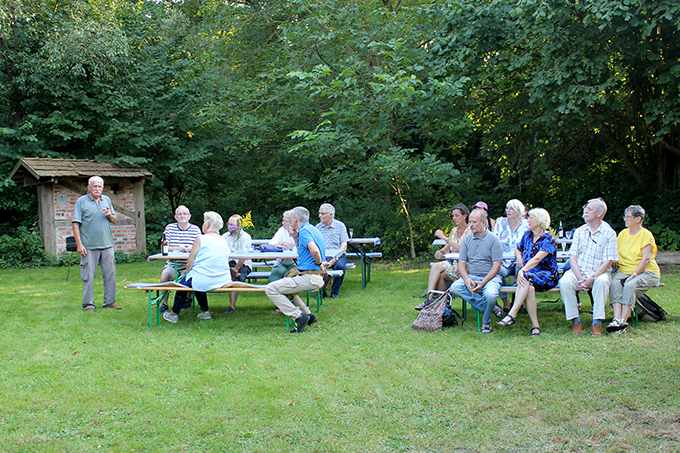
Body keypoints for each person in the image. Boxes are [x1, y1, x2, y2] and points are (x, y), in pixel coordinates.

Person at [559, 198, 618, 336]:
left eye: (589, 209)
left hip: (599, 272)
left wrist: (592, 278)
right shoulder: (580, 231)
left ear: (599, 213)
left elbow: (607, 261)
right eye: (585, 207)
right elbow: (572, 258)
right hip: (579, 272)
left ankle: (597, 322)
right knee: (565, 282)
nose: (585, 211)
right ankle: (575, 320)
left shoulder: (609, 233)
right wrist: (580, 279)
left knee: (602, 282)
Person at [497, 208, 559, 337]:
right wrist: (519, 257)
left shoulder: (549, 239)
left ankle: (512, 314)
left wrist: (522, 271)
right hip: (530, 275)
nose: (528, 220)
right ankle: (535, 326)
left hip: (546, 274)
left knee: (525, 278)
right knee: (529, 288)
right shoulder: (528, 235)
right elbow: (518, 249)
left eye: (531, 218)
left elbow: (537, 259)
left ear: (540, 220)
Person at [265, 206, 326, 333]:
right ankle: (308, 315)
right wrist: (294, 237)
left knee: (270, 288)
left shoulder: (304, 231)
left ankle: (298, 316)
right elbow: (304, 249)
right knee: (287, 284)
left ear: (295, 219)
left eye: (290, 218)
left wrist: (319, 263)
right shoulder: (311, 229)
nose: (289, 220)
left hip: (310, 276)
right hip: (314, 276)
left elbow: (314, 250)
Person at [163, 211, 232, 323]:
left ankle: (173, 314)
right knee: (197, 278)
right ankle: (205, 312)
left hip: (204, 278)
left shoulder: (201, 239)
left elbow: (189, 262)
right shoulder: (223, 240)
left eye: (204, 222)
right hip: (222, 279)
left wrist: (189, 272)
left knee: (186, 283)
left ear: (208, 225)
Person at [449, 208, 504, 333]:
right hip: (472, 276)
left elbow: (497, 266)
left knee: (490, 295)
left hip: (491, 277)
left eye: (474, 222)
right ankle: (492, 308)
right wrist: (467, 279)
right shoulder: (467, 240)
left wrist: (483, 282)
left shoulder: (494, 240)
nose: (471, 225)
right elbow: (461, 264)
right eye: (470, 222)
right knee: (455, 288)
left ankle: (486, 321)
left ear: (484, 223)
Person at [607, 205, 661, 333]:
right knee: (615, 283)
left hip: (646, 271)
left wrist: (635, 274)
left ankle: (622, 323)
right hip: (625, 270)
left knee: (630, 285)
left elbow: (646, 259)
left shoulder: (646, 235)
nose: (625, 219)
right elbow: (615, 251)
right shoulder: (623, 234)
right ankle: (616, 319)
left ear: (638, 219)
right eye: (625, 216)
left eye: (628, 217)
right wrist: (615, 260)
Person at [72, 176, 120, 312]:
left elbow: (115, 220)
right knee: (88, 276)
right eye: (95, 186)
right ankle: (88, 304)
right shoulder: (81, 202)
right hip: (89, 246)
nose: (97, 189)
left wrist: (110, 214)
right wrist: (79, 244)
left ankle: (110, 302)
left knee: (110, 274)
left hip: (107, 245)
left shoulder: (107, 200)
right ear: (89, 187)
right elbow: (75, 224)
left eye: (100, 186)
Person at [417, 204, 471, 309]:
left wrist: (444, 237)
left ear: (465, 216)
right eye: (453, 216)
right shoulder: (453, 231)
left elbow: (462, 248)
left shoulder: (470, 231)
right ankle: (442, 305)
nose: (454, 218)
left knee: (436, 267)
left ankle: (430, 300)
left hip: (465, 266)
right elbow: (447, 248)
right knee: (439, 275)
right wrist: (441, 251)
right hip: (453, 265)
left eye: (457, 215)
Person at [159, 205, 202, 312]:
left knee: (190, 278)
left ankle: (188, 298)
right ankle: (164, 303)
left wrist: (191, 248)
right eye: (180, 214)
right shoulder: (169, 228)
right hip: (173, 263)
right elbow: (164, 246)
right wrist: (176, 248)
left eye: (185, 214)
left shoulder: (195, 229)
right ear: (175, 217)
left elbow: (201, 246)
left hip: (190, 264)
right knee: (164, 277)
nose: (182, 216)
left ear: (189, 216)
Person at [493, 199, 529, 312]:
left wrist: (521, 258)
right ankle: (506, 303)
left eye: (512, 208)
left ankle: (518, 304)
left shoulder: (527, 225)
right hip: (503, 260)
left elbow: (529, 245)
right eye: (507, 208)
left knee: (522, 273)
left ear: (519, 211)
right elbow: (494, 243)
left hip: (521, 259)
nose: (508, 211)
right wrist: (498, 258)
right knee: (497, 270)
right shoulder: (500, 223)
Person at [316, 203, 350, 299]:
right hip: (322, 254)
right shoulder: (317, 227)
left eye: (323, 213)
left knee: (340, 266)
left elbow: (344, 245)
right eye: (319, 213)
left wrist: (334, 259)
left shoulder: (340, 226)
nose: (320, 215)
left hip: (338, 254)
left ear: (331, 215)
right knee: (316, 266)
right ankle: (321, 290)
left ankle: (335, 291)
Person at [221, 214, 253, 313]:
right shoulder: (224, 236)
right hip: (228, 264)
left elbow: (244, 255)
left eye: (232, 224)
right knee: (231, 271)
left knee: (232, 274)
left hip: (243, 264)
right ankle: (238, 275)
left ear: (239, 226)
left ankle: (232, 307)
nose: (229, 226)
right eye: (228, 224)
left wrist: (236, 268)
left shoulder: (246, 237)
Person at [268, 210, 297, 283]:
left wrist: (289, 244)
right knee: (272, 280)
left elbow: (298, 247)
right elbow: (271, 244)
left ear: (292, 222)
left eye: (285, 221)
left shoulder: (300, 231)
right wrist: (284, 244)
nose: (282, 223)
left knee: (290, 281)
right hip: (281, 262)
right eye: (283, 220)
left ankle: (290, 294)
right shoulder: (282, 230)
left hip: (297, 263)